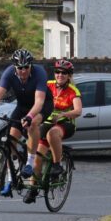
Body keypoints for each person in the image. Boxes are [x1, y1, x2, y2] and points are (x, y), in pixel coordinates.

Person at [0, 49, 53, 196]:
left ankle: (30, 164)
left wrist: (30, 117)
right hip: (22, 106)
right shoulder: (9, 73)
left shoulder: (39, 73)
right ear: (15, 67)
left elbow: (39, 101)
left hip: (43, 106)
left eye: (27, 67)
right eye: (20, 68)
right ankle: (9, 180)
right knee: (11, 141)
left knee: (33, 124)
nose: (24, 70)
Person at [25, 58, 82, 204]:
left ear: (69, 75)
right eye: (57, 72)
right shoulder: (48, 85)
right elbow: (36, 97)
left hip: (65, 124)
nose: (60, 75)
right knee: (37, 156)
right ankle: (33, 189)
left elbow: (78, 111)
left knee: (53, 134)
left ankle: (57, 166)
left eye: (64, 73)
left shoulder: (72, 90)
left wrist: (63, 115)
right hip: (46, 122)